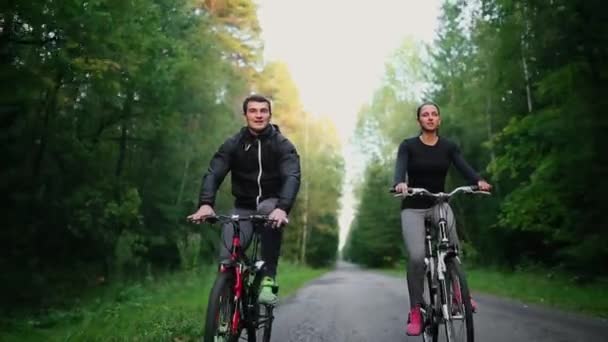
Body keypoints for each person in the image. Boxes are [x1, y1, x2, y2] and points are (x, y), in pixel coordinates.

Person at [187, 94, 301, 305]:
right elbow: (214, 172)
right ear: (245, 115)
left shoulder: (282, 145)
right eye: (253, 111)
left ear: (269, 114)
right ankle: (228, 311)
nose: (258, 115)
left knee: (269, 212)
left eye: (263, 111)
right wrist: (206, 203)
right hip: (243, 206)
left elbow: (292, 176)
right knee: (227, 259)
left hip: (271, 203)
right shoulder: (233, 144)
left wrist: (283, 208)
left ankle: (268, 279)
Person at [393, 101, 491, 336]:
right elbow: (400, 168)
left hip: (439, 202)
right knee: (417, 258)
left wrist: (477, 181)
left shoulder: (449, 147)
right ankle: (415, 310)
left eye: (434, 114)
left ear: (439, 120)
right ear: (419, 120)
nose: (429, 117)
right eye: (425, 114)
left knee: (452, 247)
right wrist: (400, 182)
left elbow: (463, 167)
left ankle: (459, 294)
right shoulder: (408, 146)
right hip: (414, 206)